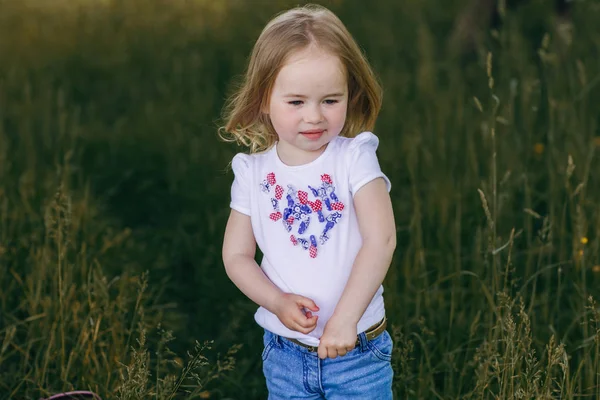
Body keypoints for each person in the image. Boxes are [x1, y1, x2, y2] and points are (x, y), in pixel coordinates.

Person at [220, 4, 396, 398]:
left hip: (357, 355)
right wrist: (276, 301)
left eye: (330, 101)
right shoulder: (254, 173)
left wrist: (344, 320)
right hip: (284, 354)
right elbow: (236, 256)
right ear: (264, 98)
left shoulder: (354, 157)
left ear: (349, 94)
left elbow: (381, 240)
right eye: (296, 102)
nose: (314, 117)